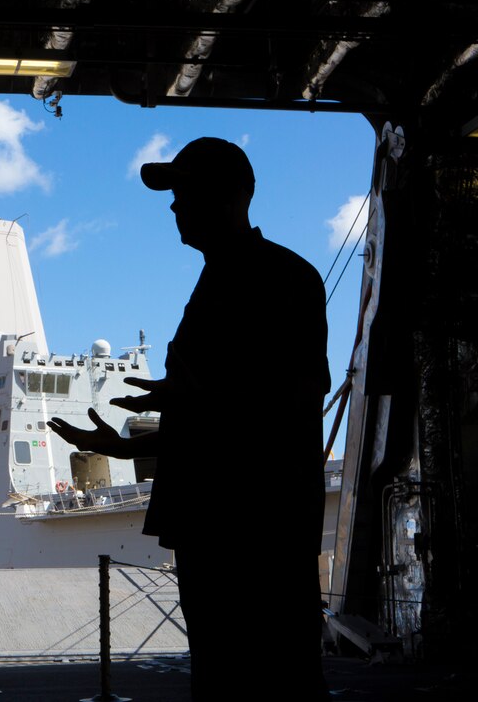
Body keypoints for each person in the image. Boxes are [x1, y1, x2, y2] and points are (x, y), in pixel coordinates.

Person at [48, 137, 330, 698]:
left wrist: (187, 397)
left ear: (229, 198)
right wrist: (133, 446)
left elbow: (297, 393)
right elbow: (224, 408)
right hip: (222, 522)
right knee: (228, 673)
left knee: (264, 675)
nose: (174, 206)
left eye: (184, 193)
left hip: (252, 525)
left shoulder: (280, 278)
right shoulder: (227, 279)